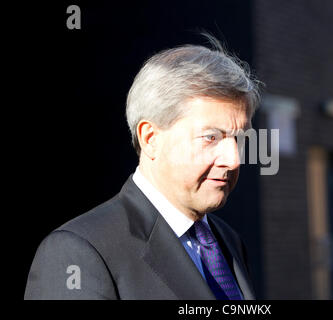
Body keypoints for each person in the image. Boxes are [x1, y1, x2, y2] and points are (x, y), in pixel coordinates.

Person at [24, 37, 262, 300]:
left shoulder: (228, 242)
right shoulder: (79, 251)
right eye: (211, 137)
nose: (233, 159)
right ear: (150, 138)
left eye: (239, 139)